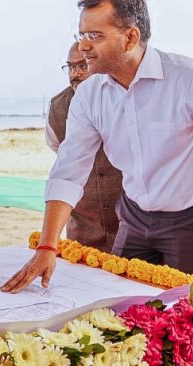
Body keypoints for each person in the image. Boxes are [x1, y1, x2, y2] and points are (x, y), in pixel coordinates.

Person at [2, 0, 193, 293]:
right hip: (133, 214)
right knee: (120, 304)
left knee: (180, 317)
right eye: (82, 35)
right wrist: (47, 246)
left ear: (130, 37)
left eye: (95, 36)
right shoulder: (89, 95)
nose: (83, 47)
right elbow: (68, 171)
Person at [45, 42, 122, 252]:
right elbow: (63, 158)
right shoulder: (57, 106)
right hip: (82, 228)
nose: (74, 74)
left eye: (82, 66)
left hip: (129, 227)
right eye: (70, 67)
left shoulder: (125, 98)